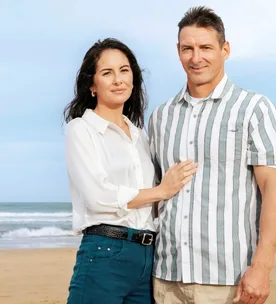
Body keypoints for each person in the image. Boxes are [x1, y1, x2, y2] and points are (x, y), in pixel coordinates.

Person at [148, 6, 276, 304]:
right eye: (188, 48)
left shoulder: (254, 109)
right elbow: (155, 196)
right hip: (165, 277)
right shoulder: (162, 116)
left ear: (225, 50)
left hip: (228, 280)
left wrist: (261, 269)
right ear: (178, 52)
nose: (196, 57)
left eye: (205, 47)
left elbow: (274, 192)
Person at [63, 38, 197, 304]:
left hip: (147, 256)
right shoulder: (81, 130)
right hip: (104, 252)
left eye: (124, 70)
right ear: (92, 84)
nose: (118, 80)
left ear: (134, 78)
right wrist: (162, 191)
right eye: (107, 73)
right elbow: (97, 196)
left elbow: (152, 206)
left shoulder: (140, 137)